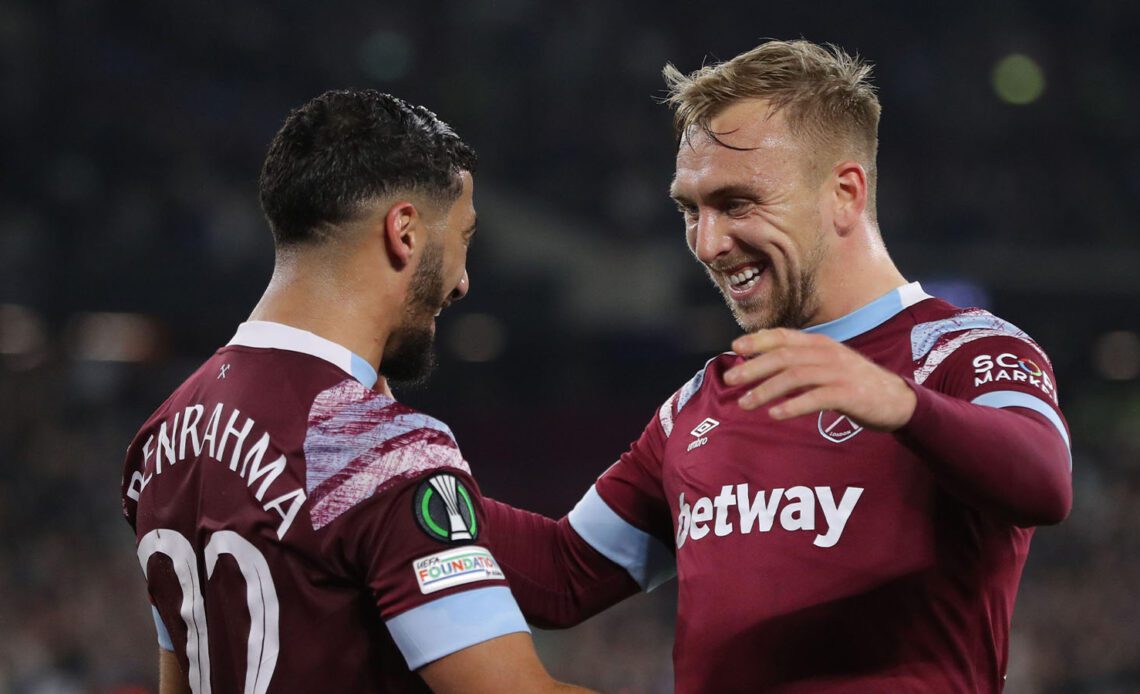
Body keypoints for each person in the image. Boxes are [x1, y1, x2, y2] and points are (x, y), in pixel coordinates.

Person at [483, 40, 1072, 692]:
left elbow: (1044, 482)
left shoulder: (961, 351)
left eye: (737, 204)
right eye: (690, 209)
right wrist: (411, 481)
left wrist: (901, 404)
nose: (708, 243)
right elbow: (562, 579)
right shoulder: (700, 403)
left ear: (845, 193)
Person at [121, 89, 590, 694]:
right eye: (464, 237)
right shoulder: (377, 448)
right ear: (406, 232)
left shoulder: (160, 435)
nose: (464, 281)